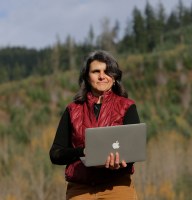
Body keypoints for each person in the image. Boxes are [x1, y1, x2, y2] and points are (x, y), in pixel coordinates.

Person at [49, 50, 140, 199]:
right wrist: (82, 152)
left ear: (115, 77)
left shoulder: (127, 106)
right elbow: (55, 154)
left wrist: (118, 163)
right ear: (86, 77)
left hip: (117, 187)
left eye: (107, 71)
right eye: (96, 71)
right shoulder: (72, 110)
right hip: (80, 190)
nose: (102, 76)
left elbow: (135, 149)